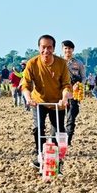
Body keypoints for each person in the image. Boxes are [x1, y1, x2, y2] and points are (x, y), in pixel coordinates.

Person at [21, 34, 72, 170]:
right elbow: (25, 85)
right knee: (38, 128)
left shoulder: (61, 64)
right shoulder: (32, 63)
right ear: (39, 48)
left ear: (54, 49)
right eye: (43, 47)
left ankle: (55, 159)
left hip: (57, 104)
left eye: (49, 47)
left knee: (58, 132)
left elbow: (66, 85)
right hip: (39, 102)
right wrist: (28, 98)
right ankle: (40, 155)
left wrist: (64, 98)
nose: (46, 51)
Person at [61, 40, 86, 147]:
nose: (68, 51)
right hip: (60, 94)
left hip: (74, 94)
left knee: (71, 117)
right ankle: (60, 140)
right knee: (59, 117)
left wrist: (79, 85)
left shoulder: (79, 63)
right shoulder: (57, 61)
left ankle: (68, 140)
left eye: (70, 48)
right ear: (62, 50)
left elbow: (84, 77)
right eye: (65, 48)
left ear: (73, 50)